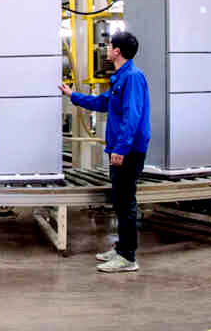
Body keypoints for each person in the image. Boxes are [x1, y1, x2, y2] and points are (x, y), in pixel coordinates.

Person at [59, 31, 150, 273]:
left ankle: (128, 257)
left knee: (125, 201)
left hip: (129, 151)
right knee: (120, 202)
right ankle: (121, 248)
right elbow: (102, 103)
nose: (107, 49)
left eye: (109, 46)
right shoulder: (121, 77)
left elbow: (133, 115)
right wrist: (72, 96)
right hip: (121, 148)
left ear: (117, 51)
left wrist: (121, 148)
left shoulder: (132, 77)